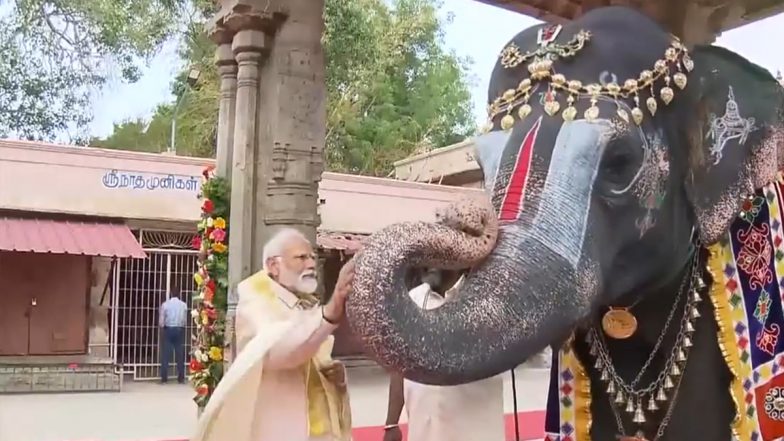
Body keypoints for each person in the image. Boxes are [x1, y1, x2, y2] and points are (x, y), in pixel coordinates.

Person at [193, 228, 354, 441]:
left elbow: (310, 353)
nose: (311, 264)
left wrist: (337, 378)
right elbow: (278, 351)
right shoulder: (255, 297)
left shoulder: (304, 302)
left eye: (312, 257)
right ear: (273, 266)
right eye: (301, 257)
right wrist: (331, 312)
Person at [383, 268, 506, 441]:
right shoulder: (411, 299)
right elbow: (398, 366)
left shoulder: (486, 298)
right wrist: (391, 423)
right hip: (423, 432)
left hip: (474, 432)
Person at [159, 284, 188, 384]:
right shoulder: (184, 305)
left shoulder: (165, 304)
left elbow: (161, 321)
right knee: (180, 354)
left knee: (166, 354)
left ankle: (164, 378)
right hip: (179, 329)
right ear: (179, 293)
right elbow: (184, 320)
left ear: (171, 293)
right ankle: (181, 377)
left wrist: (162, 329)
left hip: (168, 329)